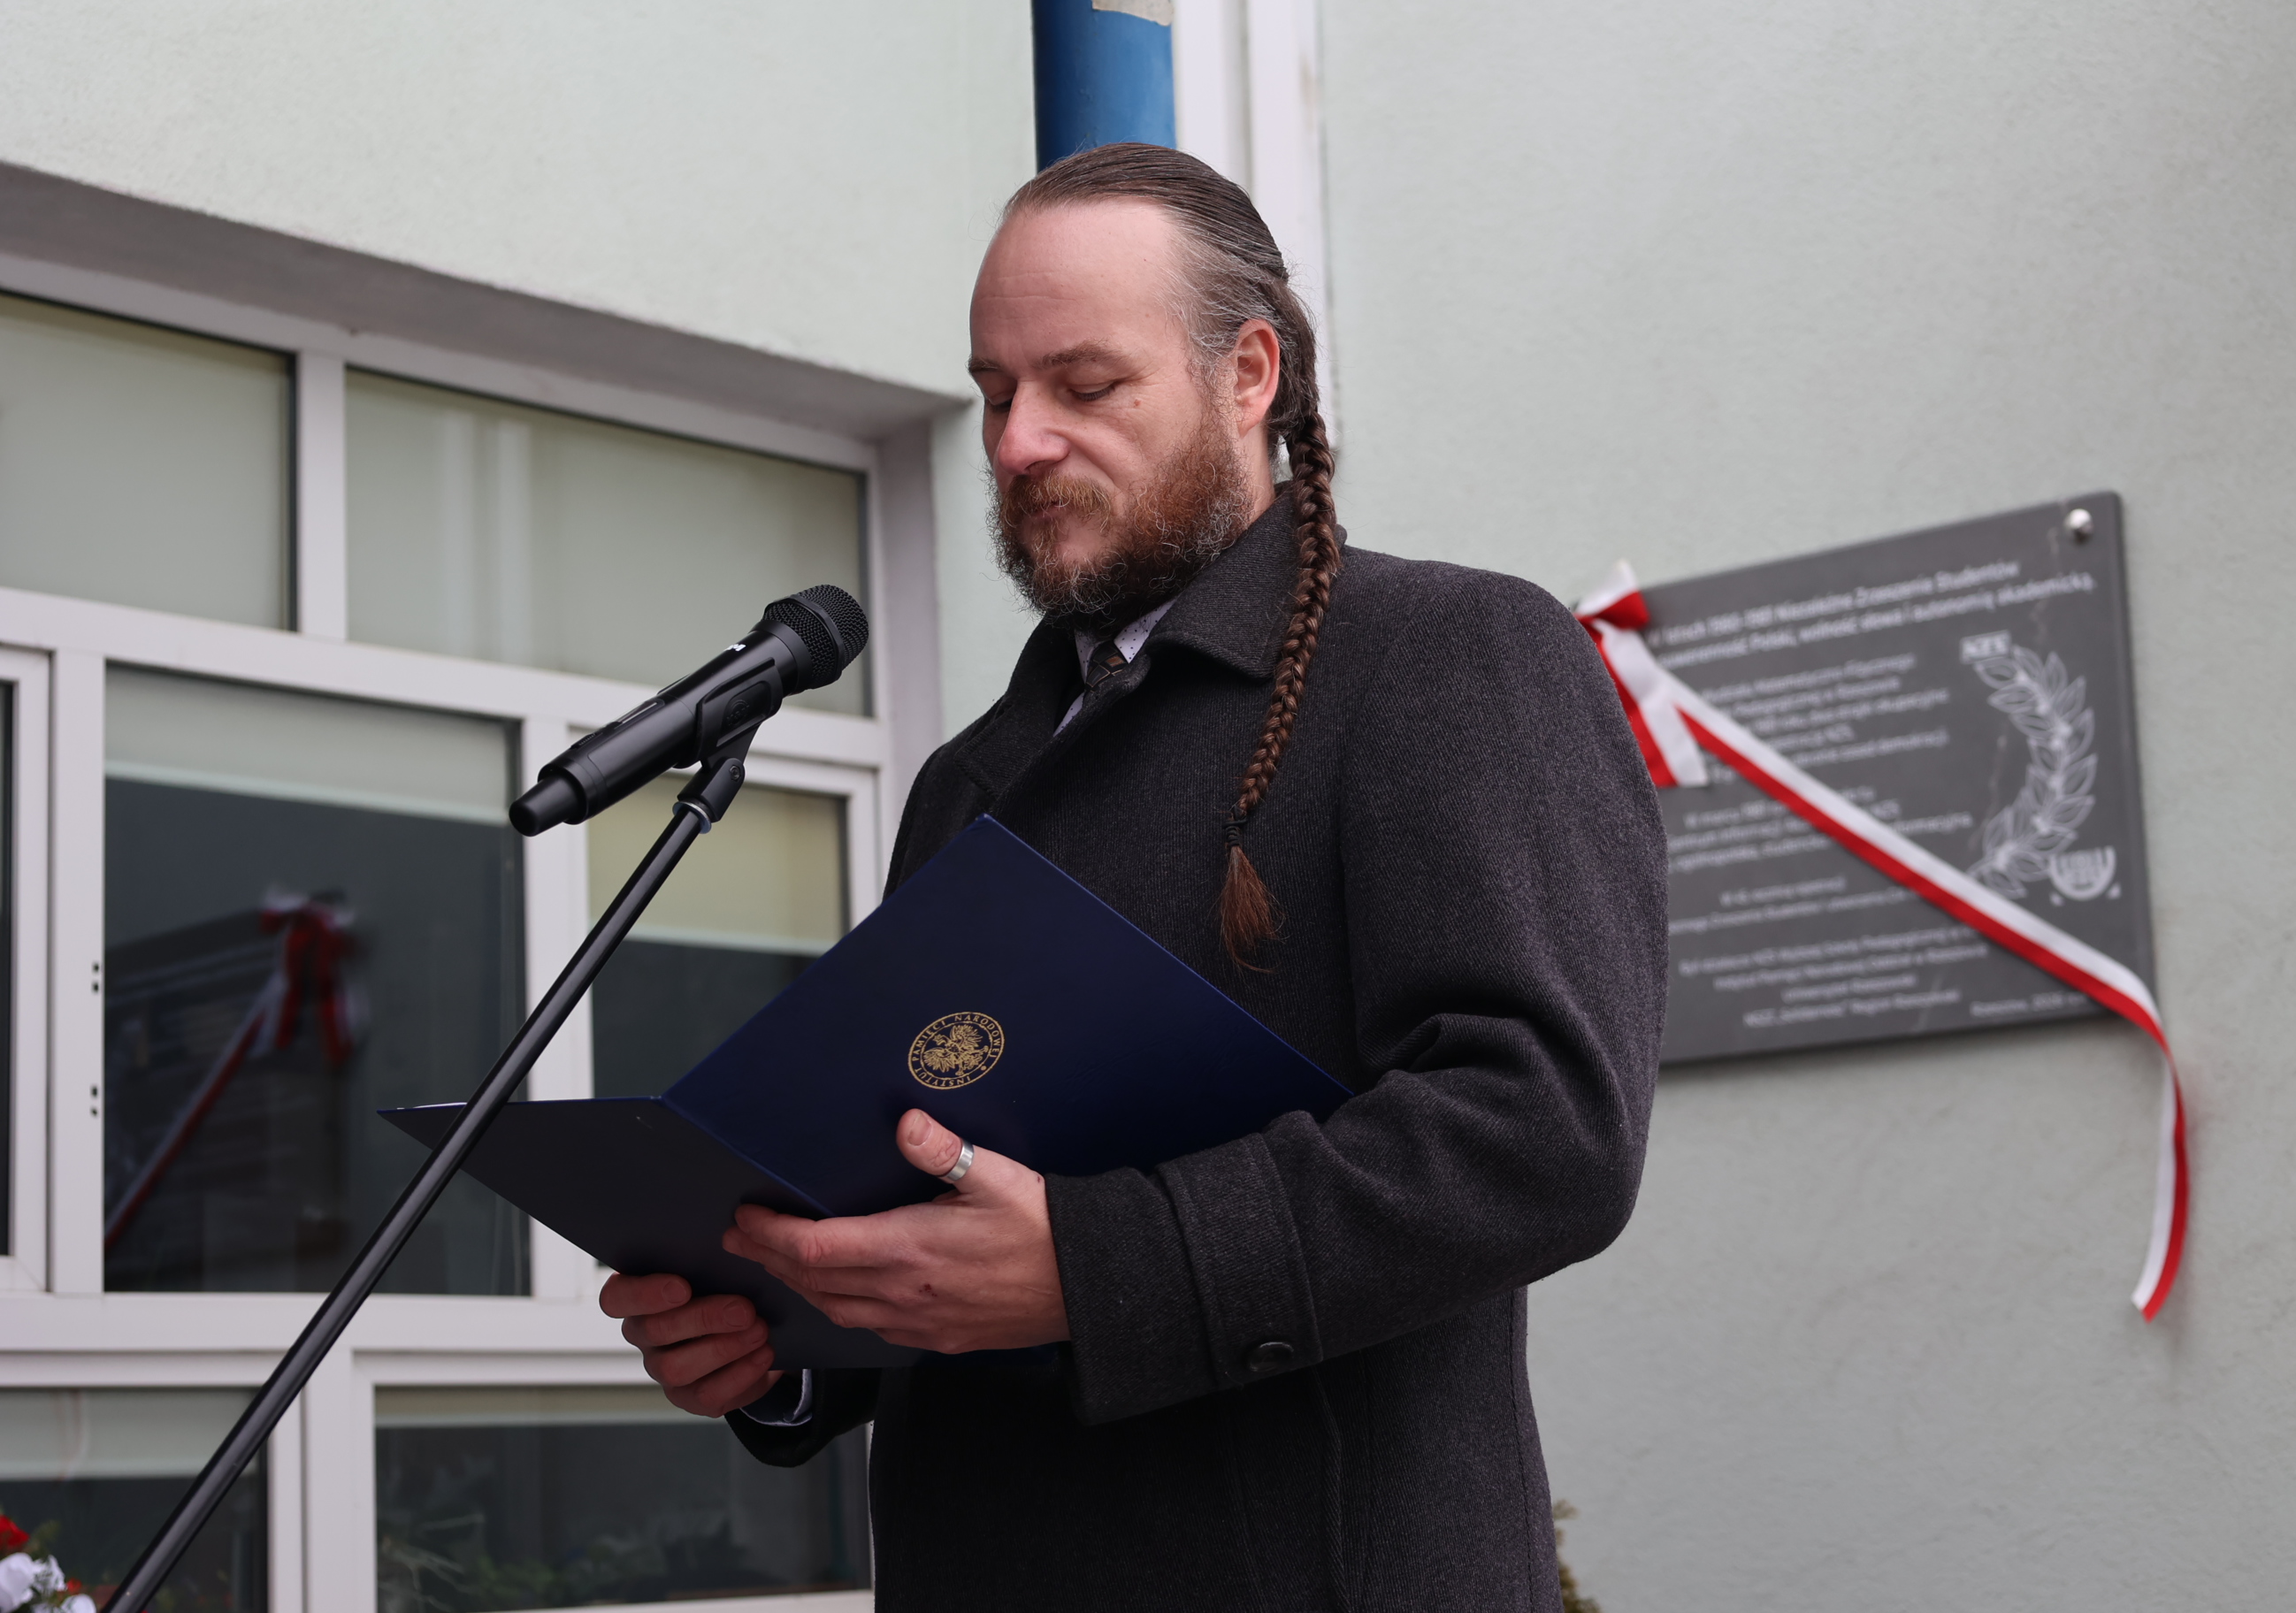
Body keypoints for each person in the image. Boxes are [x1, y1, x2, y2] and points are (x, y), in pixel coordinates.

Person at [601, 142, 1666, 1611]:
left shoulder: (1446, 657)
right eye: (994, 393)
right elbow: (936, 1186)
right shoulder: (969, 778)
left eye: (1085, 385)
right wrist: (783, 1340)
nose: (1018, 443)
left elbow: (1543, 1132)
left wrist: (1093, 1270)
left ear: (1249, 376)